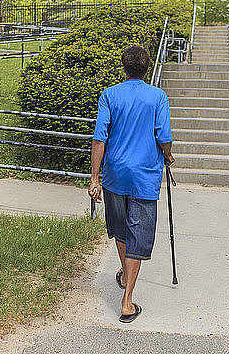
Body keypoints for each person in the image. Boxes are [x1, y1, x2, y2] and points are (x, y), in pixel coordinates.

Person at [88, 45, 174, 323]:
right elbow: (164, 137)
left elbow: (100, 138)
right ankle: (127, 302)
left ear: (124, 67)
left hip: (115, 176)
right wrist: (169, 156)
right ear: (147, 66)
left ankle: (125, 273)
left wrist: (94, 178)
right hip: (145, 176)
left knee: (121, 229)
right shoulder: (158, 96)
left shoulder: (110, 95)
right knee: (139, 234)